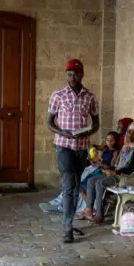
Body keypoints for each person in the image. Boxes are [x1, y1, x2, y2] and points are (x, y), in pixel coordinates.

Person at [47, 59, 100, 243]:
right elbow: (49, 123)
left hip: (81, 148)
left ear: (82, 74)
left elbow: (96, 124)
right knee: (68, 185)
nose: (72, 77)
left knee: (77, 186)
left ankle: (68, 219)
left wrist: (86, 133)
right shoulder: (58, 95)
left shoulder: (90, 97)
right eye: (69, 74)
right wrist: (63, 133)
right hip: (63, 146)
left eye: (75, 74)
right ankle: (67, 228)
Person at [79, 121, 134, 224]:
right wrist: (109, 169)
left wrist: (115, 172)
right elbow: (118, 162)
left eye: (133, 132)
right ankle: (89, 209)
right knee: (90, 181)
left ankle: (99, 215)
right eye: (128, 132)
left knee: (99, 183)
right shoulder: (126, 146)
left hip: (125, 177)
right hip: (116, 173)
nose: (129, 134)